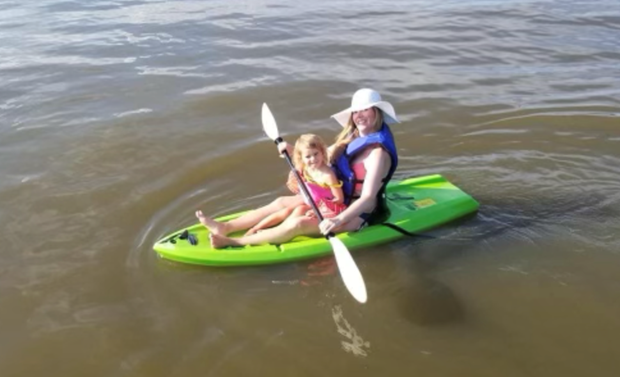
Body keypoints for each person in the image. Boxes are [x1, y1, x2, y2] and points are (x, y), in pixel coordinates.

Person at [196, 88, 399, 248]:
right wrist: (294, 153)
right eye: (356, 111)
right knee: (281, 202)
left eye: (365, 109)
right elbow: (323, 158)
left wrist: (337, 220)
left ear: (377, 112)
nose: (359, 115)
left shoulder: (378, 154)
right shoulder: (352, 137)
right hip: (335, 199)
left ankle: (235, 242)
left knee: (297, 224)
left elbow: (368, 199)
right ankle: (226, 227)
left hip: (357, 214)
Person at [243, 133, 346, 235]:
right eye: (308, 156)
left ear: (322, 152)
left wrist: (317, 211)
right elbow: (295, 153)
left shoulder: (328, 175)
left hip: (329, 208)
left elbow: (339, 199)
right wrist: (285, 147)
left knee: (299, 210)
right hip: (313, 202)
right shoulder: (305, 166)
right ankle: (255, 228)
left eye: (316, 154)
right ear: (301, 158)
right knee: (287, 210)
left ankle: (276, 232)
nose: (313, 159)